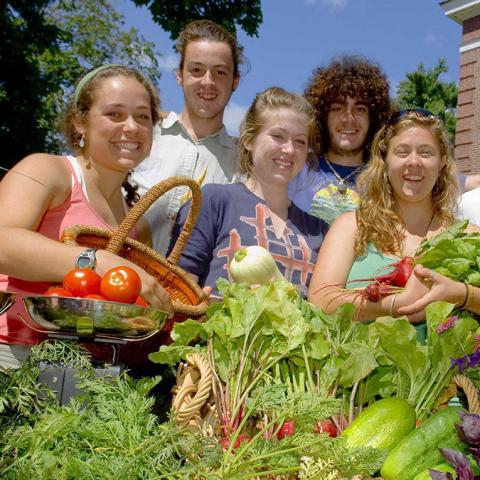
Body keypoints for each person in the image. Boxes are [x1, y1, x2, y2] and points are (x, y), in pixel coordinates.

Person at [0, 64, 173, 368]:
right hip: (12, 355)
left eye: (142, 117)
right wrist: (99, 261)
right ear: (81, 123)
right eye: (115, 114)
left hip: (88, 371)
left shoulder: (137, 224)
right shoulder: (47, 171)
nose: (131, 127)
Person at [307, 109, 479, 341]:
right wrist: (394, 304)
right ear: (385, 161)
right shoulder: (353, 226)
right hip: (358, 374)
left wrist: (462, 294)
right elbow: (320, 299)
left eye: (426, 152)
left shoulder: (468, 236)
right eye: (402, 151)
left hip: (446, 377)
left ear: (442, 164)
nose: (414, 162)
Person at [169, 87, 329, 298]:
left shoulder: (319, 231)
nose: (289, 149)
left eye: (300, 141)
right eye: (278, 136)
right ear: (248, 140)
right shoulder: (214, 201)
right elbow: (176, 284)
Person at [132, 20, 243, 255]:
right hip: (121, 281)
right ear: (179, 75)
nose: (208, 81)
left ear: (235, 81)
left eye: (220, 72)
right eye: (196, 70)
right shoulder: (141, 135)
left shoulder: (245, 163)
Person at [288, 54, 392, 225]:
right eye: (337, 108)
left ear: (373, 118)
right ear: (322, 116)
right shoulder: (298, 169)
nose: (348, 118)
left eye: (359, 109)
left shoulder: (385, 181)